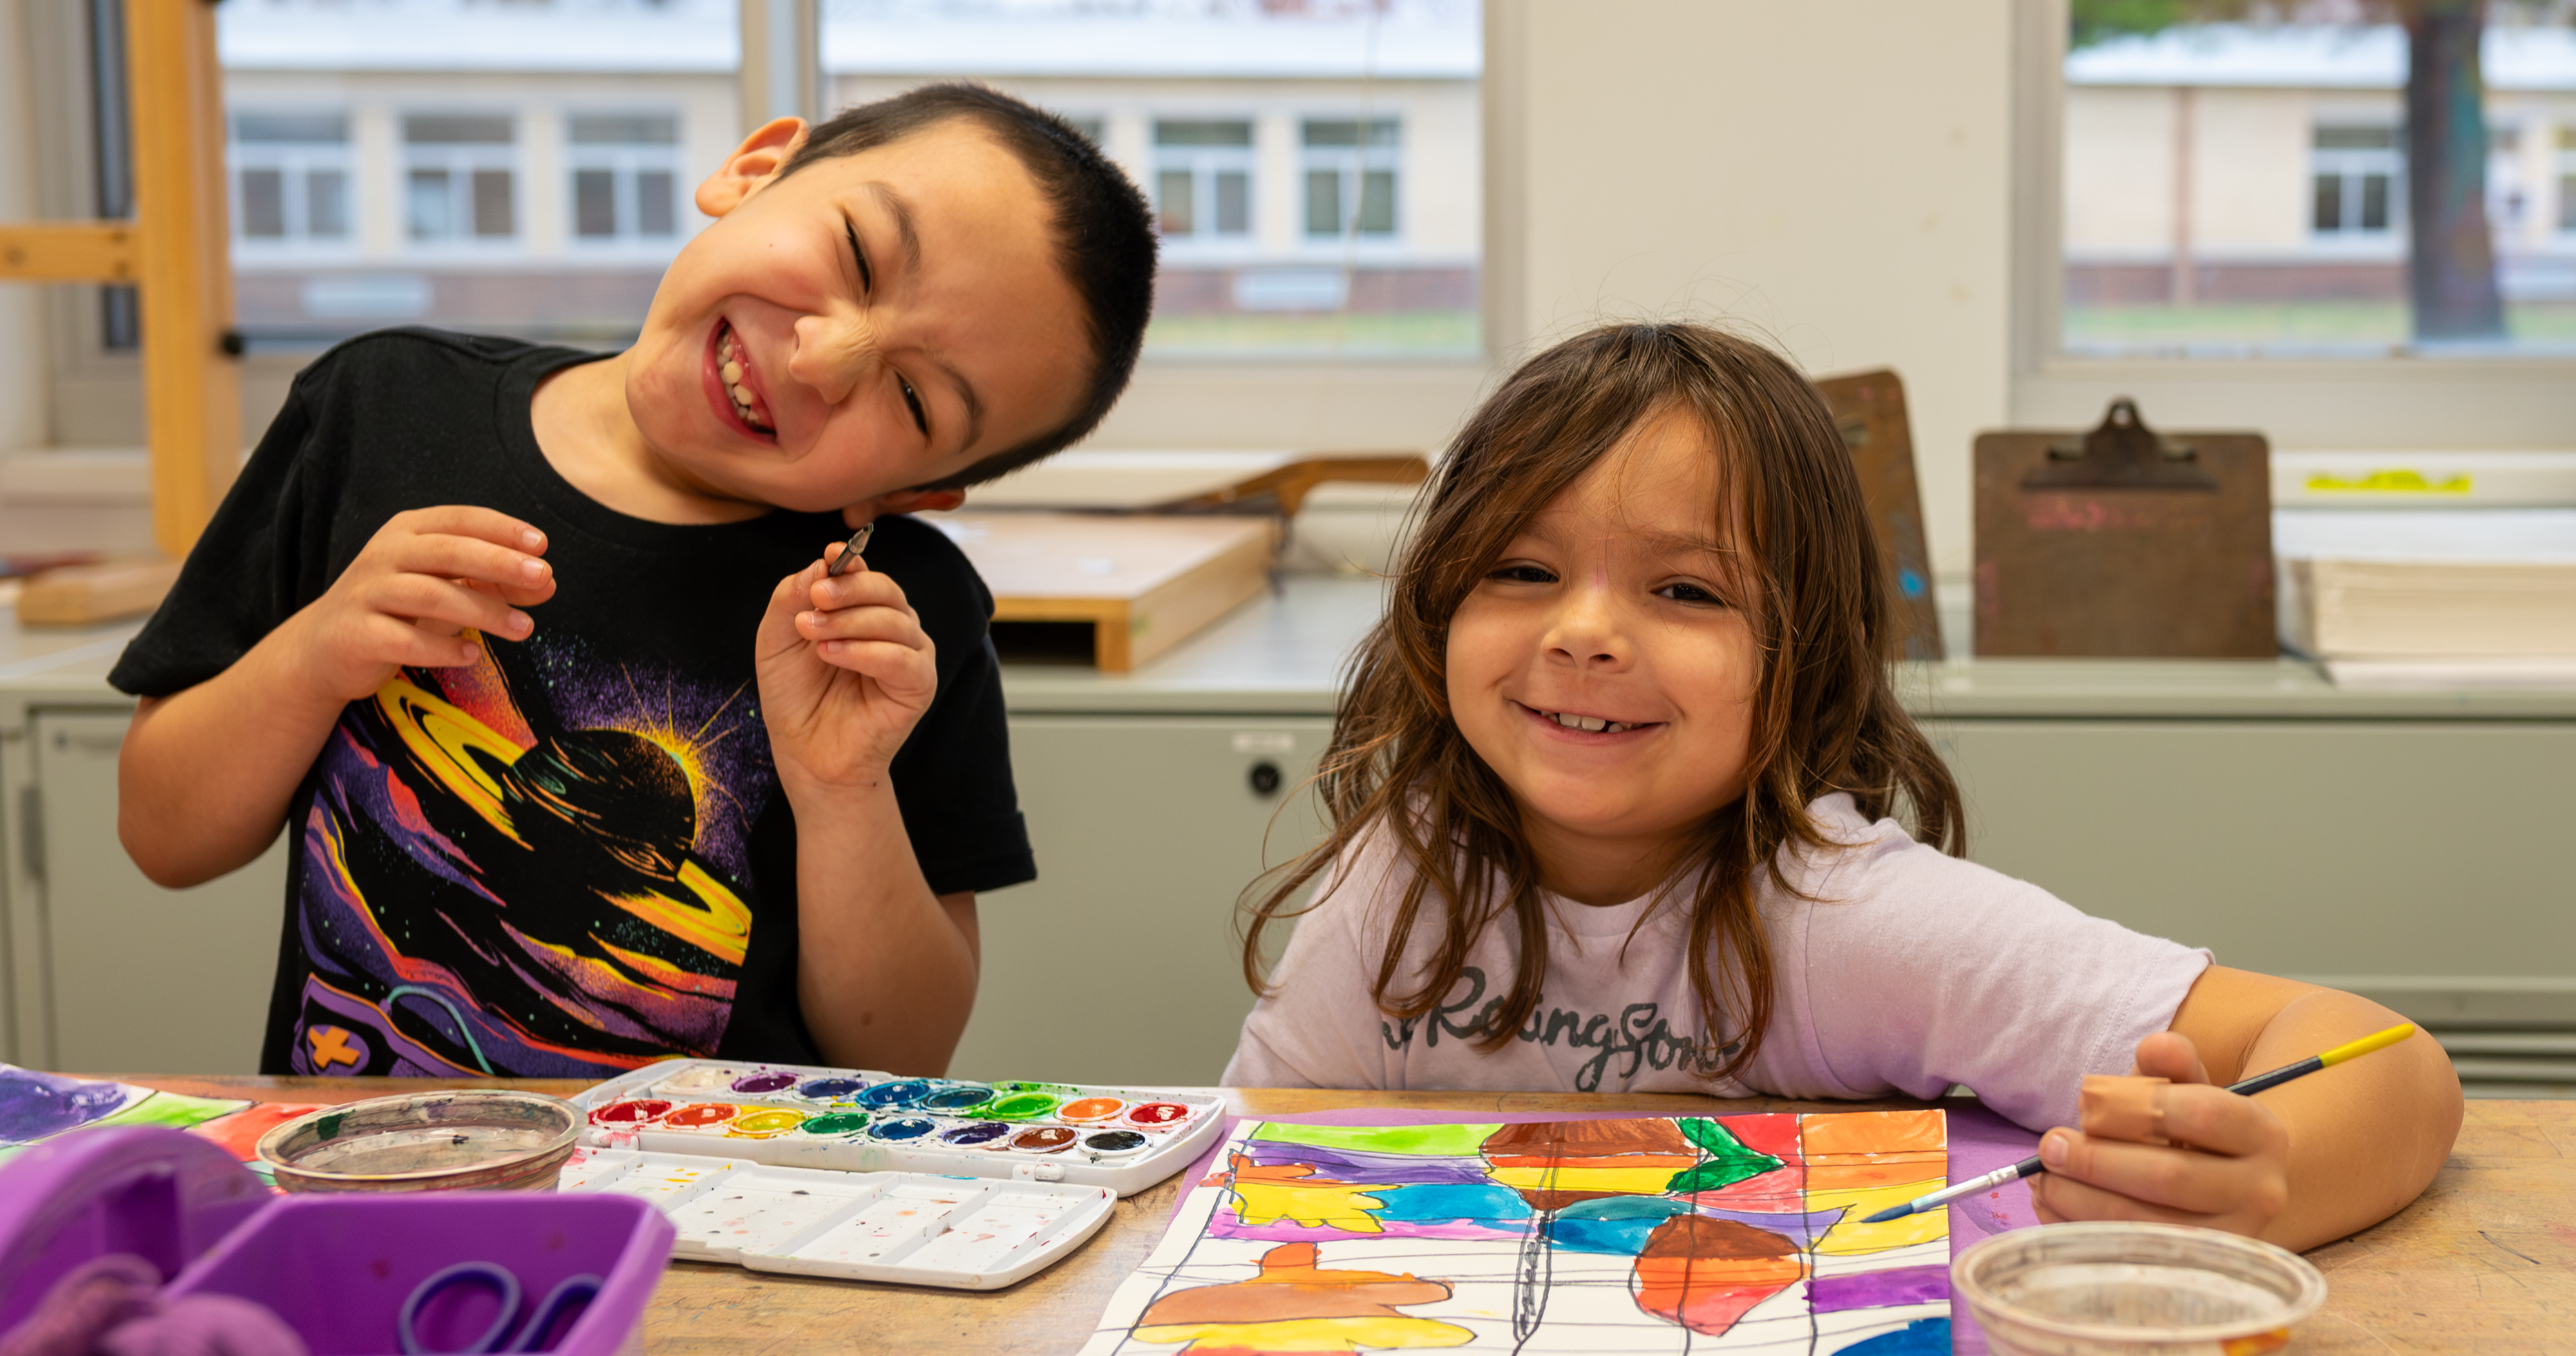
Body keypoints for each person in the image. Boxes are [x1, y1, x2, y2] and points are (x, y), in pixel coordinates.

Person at [1225, 322, 2461, 1250]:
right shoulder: (1401, 880)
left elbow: (2387, 1058)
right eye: (1522, 570)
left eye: (1687, 591)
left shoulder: (1839, 919)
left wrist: (2262, 1178)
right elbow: (1250, 1171)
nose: (1584, 633)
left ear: (1806, 654)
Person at [110, 84, 1157, 1082]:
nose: (823, 359)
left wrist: (845, 793)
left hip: (721, 1227)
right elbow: (163, 836)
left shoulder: (888, 625)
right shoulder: (378, 410)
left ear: (922, 488)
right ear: (754, 170)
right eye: (856, 253)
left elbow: (905, 1058)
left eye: (918, 402)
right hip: (365, 1186)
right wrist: (316, 654)